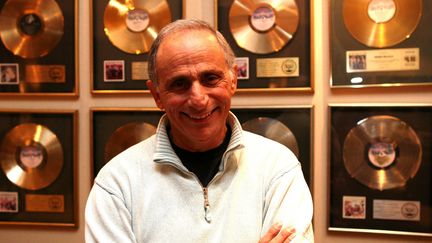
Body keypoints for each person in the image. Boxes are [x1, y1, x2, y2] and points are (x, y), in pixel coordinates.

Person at [85, 19, 314, 242]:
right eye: (179, 83)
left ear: (233, 79)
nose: (198, 99)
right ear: (156, 95)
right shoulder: (117, 183)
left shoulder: (277, 167)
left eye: (210, 78)